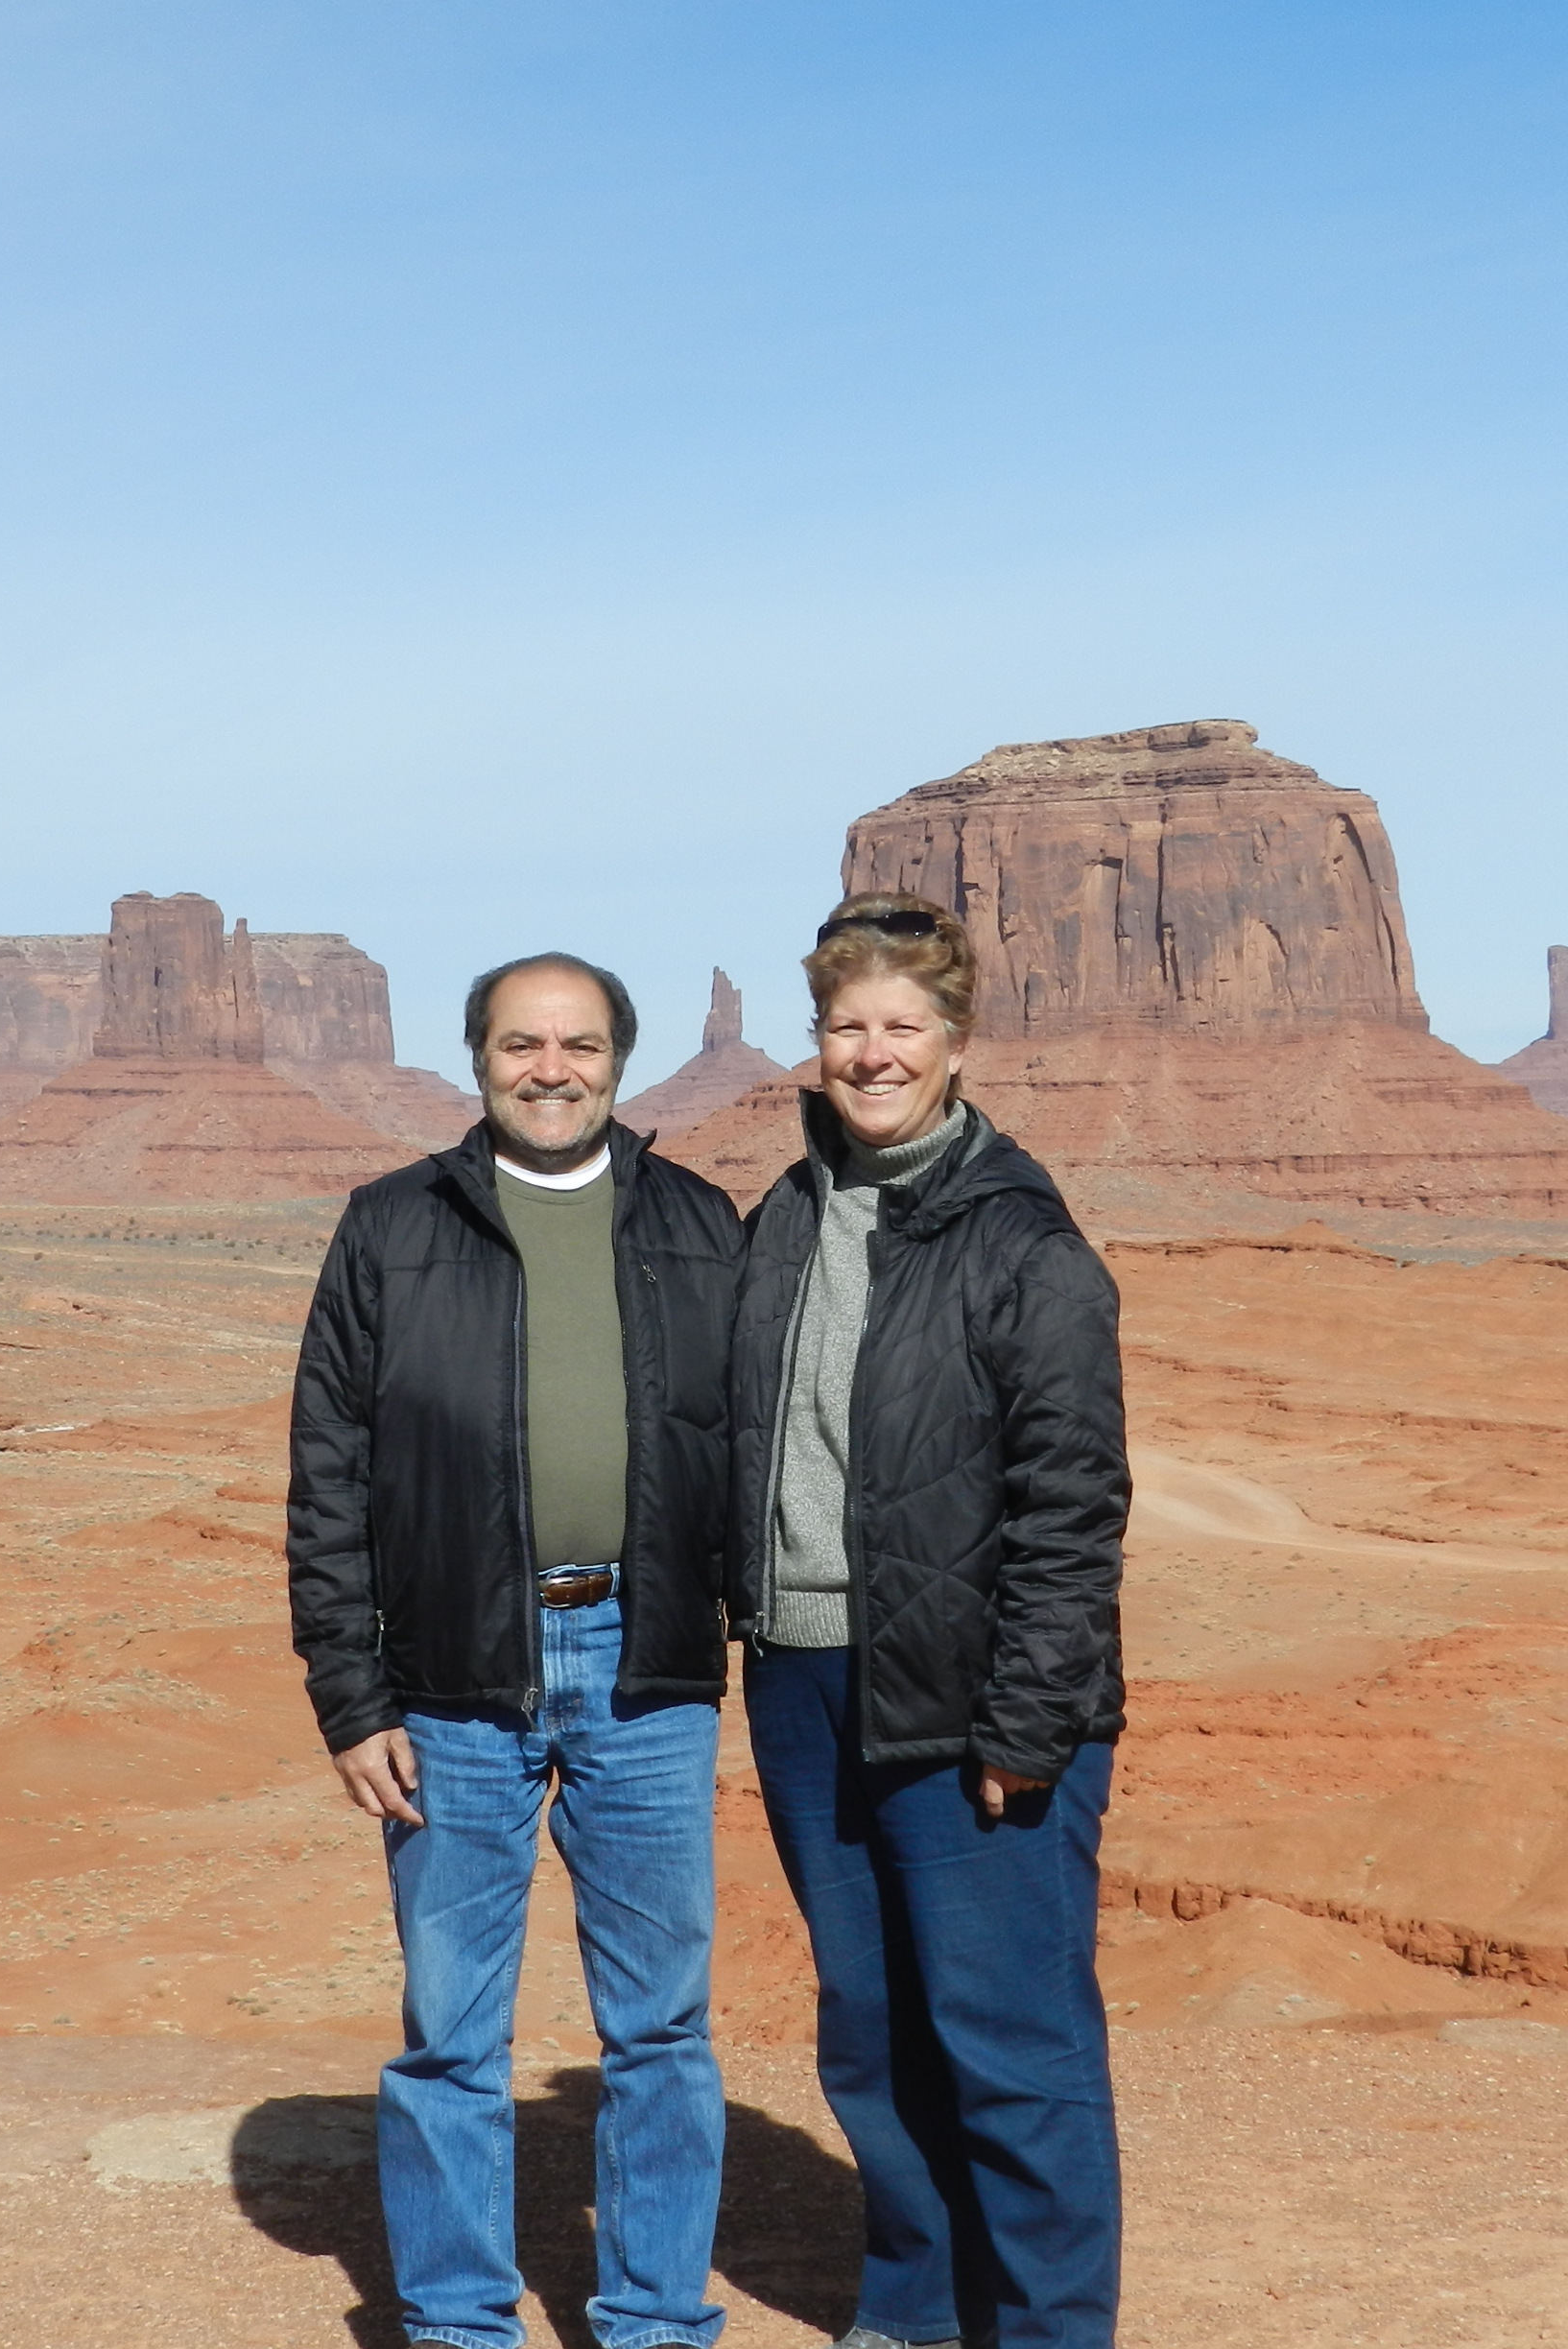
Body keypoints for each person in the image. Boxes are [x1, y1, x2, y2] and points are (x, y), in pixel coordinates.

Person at [289, 950, 744, 2349]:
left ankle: (654, 2320)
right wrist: (350, 1693)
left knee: (661, 2028)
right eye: (523, 1045)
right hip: (450, 1679)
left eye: (580, 1045)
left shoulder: (697, 1221)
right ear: (478, 1057)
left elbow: (761, 1446)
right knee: (451, 2035)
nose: (553, 1071)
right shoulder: (393, 1224)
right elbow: (328, 1474)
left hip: (648, 1665)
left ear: (622, 1060)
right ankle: (459, 2323)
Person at [727, 892, 1129, 2349]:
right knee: (874, 2028)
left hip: (969, 1695)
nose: (874, 1053)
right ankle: (913, 2310)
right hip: (803, 1680)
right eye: (849, 1026)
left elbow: (1071, 1505)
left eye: (903, 1026)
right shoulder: (784, 1218)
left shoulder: (1022, 1242)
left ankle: (1048, 2328)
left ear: (957, 1043)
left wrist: (1029, 1718)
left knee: (1012, 2042)